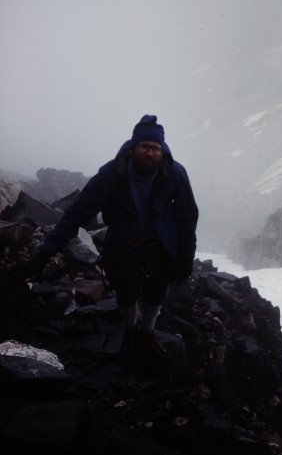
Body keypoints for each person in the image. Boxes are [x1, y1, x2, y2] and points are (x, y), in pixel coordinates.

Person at [25, 114, 199, 362]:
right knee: (125, 292)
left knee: (155, 292)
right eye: (145, 146)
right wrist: (46, 251)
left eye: (155, 148)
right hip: (124, 244)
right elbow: (78, 211)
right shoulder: (113, 173)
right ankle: (130, 328)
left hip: (160, 246)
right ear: (133, 147)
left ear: (162, 150)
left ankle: (147, 333)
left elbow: (187, 216)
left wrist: (185, 258)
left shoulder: (174, 173)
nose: (150, 153)